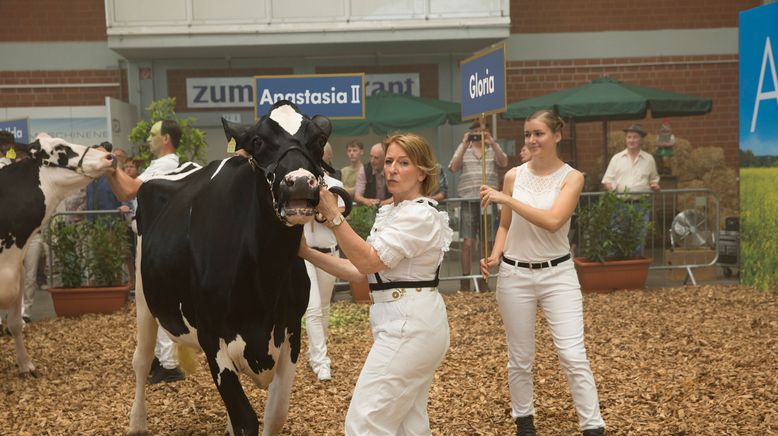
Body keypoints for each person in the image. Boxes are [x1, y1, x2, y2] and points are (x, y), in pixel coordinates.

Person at [299, 133, 452, 435]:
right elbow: (358, 271)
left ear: (422, 172)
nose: (392, 168)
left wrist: (331, 214)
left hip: (410, 325)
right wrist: (305, 252)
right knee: (411, 425)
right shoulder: (393, 212)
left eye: (404, 163)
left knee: (364, 423)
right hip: (405, 322)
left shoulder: (419, 214)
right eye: (390, 161)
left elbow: (368, 261)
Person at [479, 110, 605, 436]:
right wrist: (494, 255)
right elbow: (506, 224)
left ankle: (593, 426)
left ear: (557, 136)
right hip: (514, 275)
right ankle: (524, 421)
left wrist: (506, 198)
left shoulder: (572, 177)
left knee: (572, 353)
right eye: (527, 135)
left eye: (539, 134)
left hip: (558, 273)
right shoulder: (513, 176)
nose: (532, 141)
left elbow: (553, 220)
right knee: (520, 357)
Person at [108, 120, 185, 384]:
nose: (149, 139)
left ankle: (169, 363)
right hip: (156, 237)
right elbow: (123, 192)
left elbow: (128, 189)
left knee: (156, 300)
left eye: (153, 135)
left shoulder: (164, 165)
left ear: (165, 139)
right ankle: (161, 358)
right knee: (154, 301)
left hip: (156, 240)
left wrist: (111, 165)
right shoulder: (161, 165)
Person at [448, 120, 508, 291]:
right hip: (468, 201)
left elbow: (504, 162)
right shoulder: (465, 150)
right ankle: (465, 282)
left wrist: (493, 143)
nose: (478, 136)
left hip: (488, 201)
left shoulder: (491, 150)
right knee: (467, 243)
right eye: (474, 132)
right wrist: (463, 143)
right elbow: (453, 166)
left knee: (486, 242)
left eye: (481, 132)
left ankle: (484, 280)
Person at [303, 173, 346, 382]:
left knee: (324, 306)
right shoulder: (300, 183)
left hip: (329, 253)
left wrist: (322, 207)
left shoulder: (335, 185)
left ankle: (315, 351)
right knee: (312, 308)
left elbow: (336, 219)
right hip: (306, 254)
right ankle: (321, 362)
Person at [602, 123, 660, 255]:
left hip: (641, 206)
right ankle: (618, 271)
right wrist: (612, 191)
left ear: (641, 140)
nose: (631, 140)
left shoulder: (649, 159)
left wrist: (654, 185)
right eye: (629, 137)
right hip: (620, 205)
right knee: (617, 236)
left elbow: (654, 179)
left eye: (635, 137)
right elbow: (607, 180)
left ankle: (635, 270)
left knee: (639, 238)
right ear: (625, 139)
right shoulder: (616, 159)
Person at [354, 143, 391, 207]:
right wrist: (367, 201)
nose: (372, 161)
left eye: (376, 158)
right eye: (371, 156)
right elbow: (357, 196)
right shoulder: (364, 170)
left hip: (390, 207)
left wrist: (384, 203)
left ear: (384, 158)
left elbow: (400, 195)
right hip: (369, 209)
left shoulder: (392, 169)